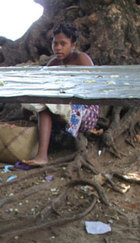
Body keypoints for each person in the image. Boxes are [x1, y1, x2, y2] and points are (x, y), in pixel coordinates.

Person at [21, 23, 99, 167]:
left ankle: (42, 156)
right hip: (62, 105)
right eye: (55, 43)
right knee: (35, 106)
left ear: (73, 45)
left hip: (84, 110)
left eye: (63, 44)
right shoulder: (54, 63)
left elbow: (91, 88)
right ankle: (40, 150)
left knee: (46, 108)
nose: (58, 48)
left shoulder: (81, 59)